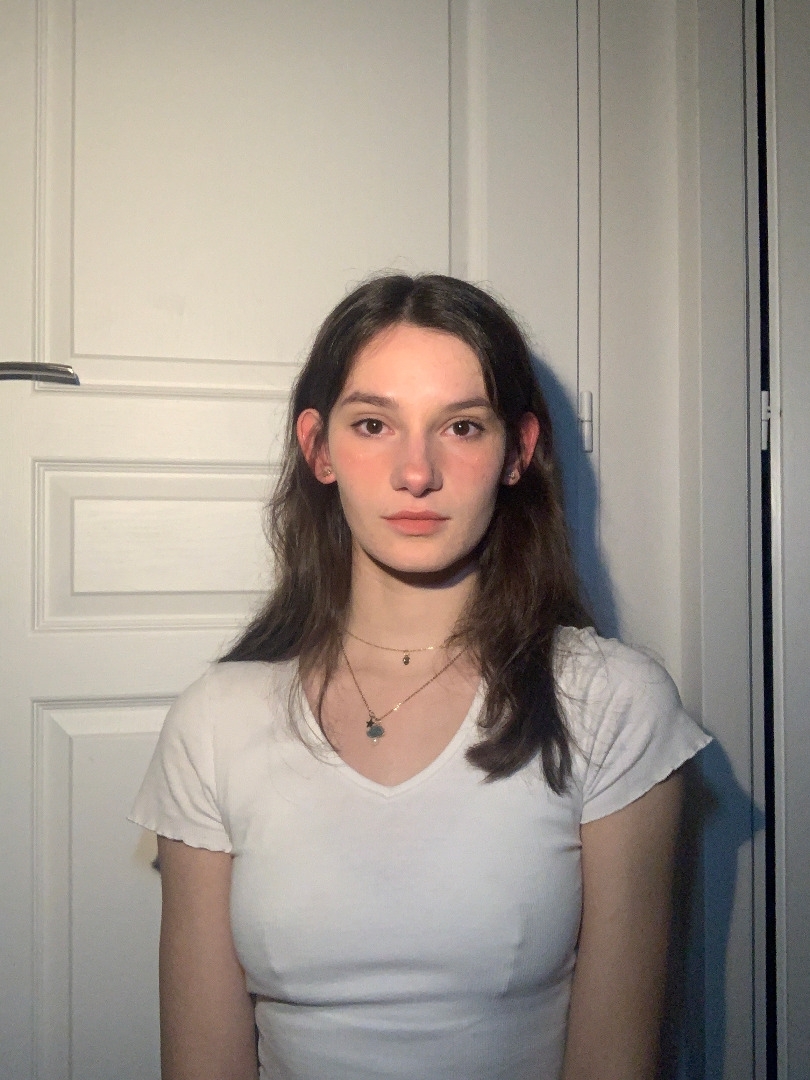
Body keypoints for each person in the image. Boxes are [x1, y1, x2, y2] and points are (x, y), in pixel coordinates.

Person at [131, 273, 710, 1080]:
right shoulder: (214, 721)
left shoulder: (610, 704)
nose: (416, 472)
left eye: (461, 427)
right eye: (374, 424)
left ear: (519, 452)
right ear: (318, 449)